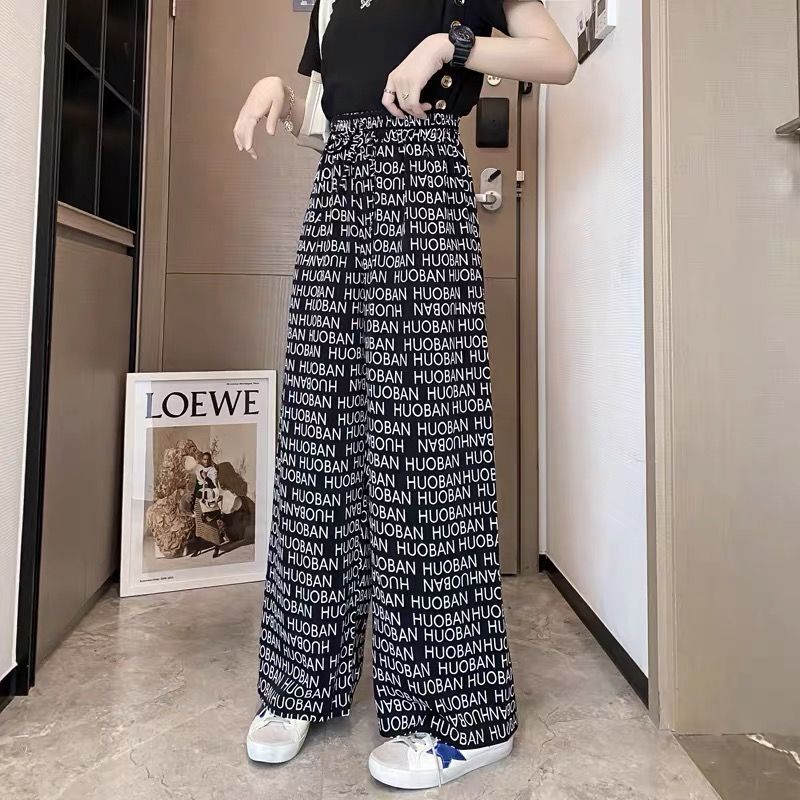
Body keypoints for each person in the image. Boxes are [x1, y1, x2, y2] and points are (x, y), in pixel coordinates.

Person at [233, 0, 576, 789]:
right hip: (338, 199)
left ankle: (466, 719)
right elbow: (326, 118)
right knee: (320, 439)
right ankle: (299, 682)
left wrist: (448, 45)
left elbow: (556, 58)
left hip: (423, 196)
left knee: (427, 451)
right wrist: (277, 93)